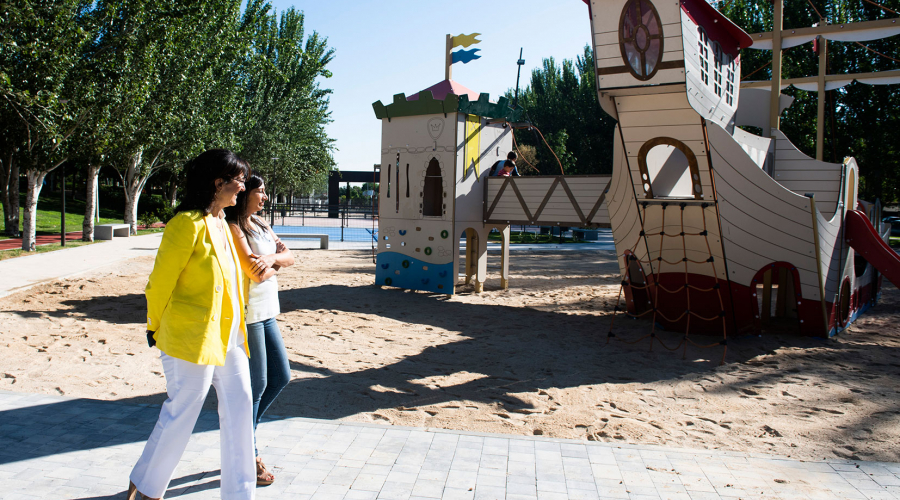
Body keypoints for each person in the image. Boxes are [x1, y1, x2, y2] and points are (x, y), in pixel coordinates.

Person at [128, 149, 255, 500]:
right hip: (191, 336)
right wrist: (154, 327)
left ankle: (240, 494)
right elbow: (160, 284)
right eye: (238, 180)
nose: (242, 188)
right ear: (218, 182)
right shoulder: (186, 224)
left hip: (228, 337)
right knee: (184, 409)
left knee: (242, 404)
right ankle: (147, 487)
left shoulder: (222, 225)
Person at [225, 175, 294, 486]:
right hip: (249, 314)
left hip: (269, 311)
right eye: (260, 192)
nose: (265, 197)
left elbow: (289, 256)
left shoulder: (261, 224)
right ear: (246, 195)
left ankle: (244, 437)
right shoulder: (234, 227)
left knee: (282, 376)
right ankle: (248, 453)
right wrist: (274, 261)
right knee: (257, 384)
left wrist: (271, 259)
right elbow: (255, 274)